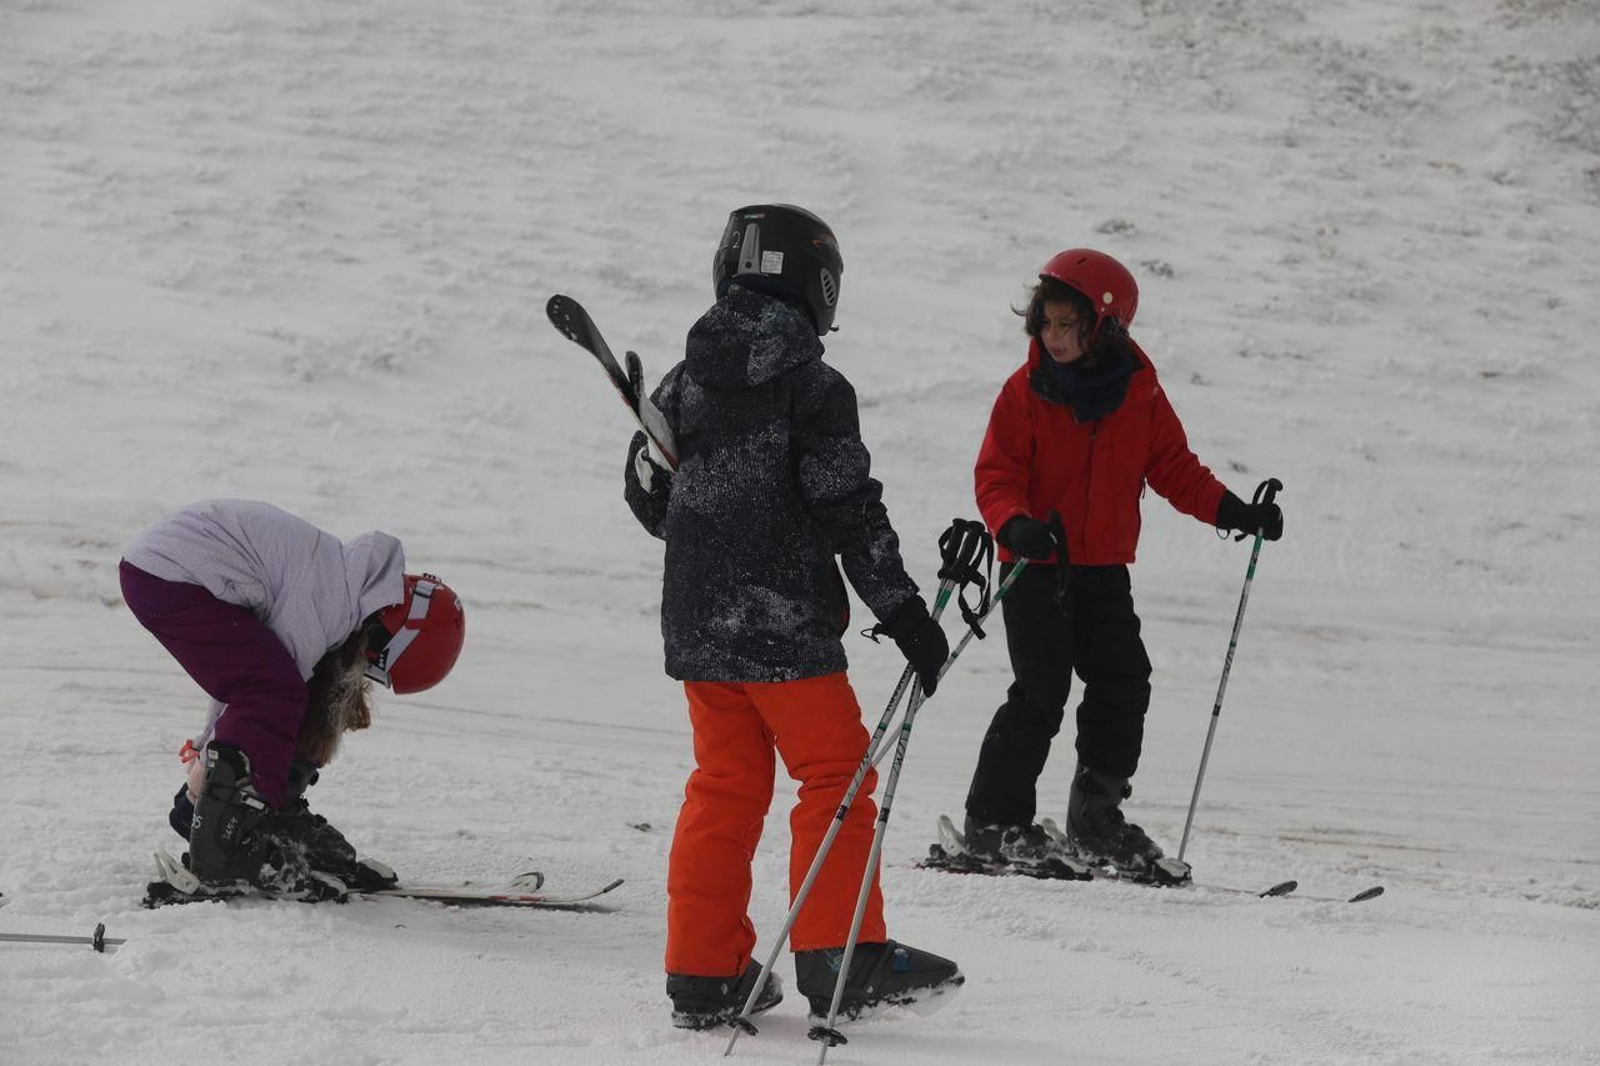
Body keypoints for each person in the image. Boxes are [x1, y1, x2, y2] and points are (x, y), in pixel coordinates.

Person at [623, 204, 963, 1030]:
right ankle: (841, 954)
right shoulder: (813, 386)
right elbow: (848, 506)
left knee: (725, 785)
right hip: (785, 629)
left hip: (701, 630)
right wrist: (906, 610)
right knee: (834, 777)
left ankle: (703, 971)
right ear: (818, 288)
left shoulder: (681, 381)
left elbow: (650, 501)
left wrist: (651, 468)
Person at [962, 249, 1284, 880]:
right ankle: (993, 823)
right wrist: (1014, 523)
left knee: (1123, 681)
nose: (1051, 337)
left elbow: (1172, 468)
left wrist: (1232, 512)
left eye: (1065, 325)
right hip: (1035, 565)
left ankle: (1094, 816)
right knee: (1040, 693)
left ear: (1105, 326)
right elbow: (996, 474)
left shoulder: (1138, 391)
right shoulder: (1024, 391)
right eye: (1045, 324)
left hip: (1102, 567)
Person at [120, 499, 466, 899]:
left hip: (166, 570)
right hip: (168, 575)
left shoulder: (346, 584)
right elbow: (256, 693)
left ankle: (249, 815)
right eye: (375, 665)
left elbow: (243, 682)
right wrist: (201, 779)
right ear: (390, 638)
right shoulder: (328, 600)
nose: (365, 673)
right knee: (276, 693)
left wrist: (204, 764)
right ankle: (222, 849)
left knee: (284, 689)